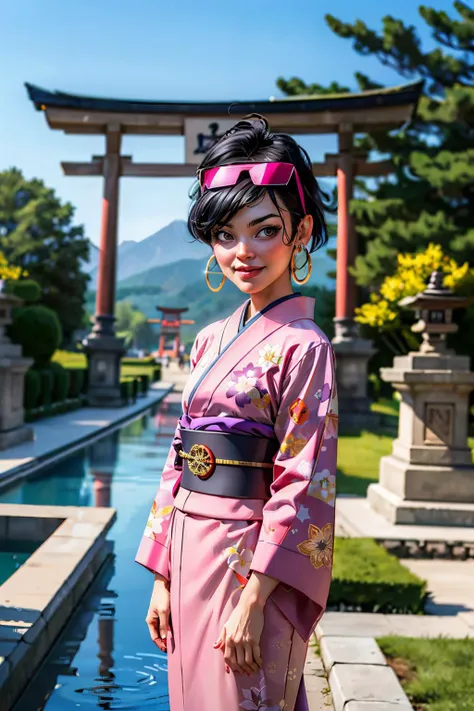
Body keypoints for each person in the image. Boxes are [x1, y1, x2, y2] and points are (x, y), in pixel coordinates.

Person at [135, 115, 338, 711]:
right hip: (187, 550)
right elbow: (180, 458)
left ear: (300, 232)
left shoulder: (305, 346)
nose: (242, 252)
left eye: (264, 230)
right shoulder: (207, 340)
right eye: (226, 234)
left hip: (249, 565)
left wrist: (254, 600)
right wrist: (161, 577)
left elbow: (304, 484)